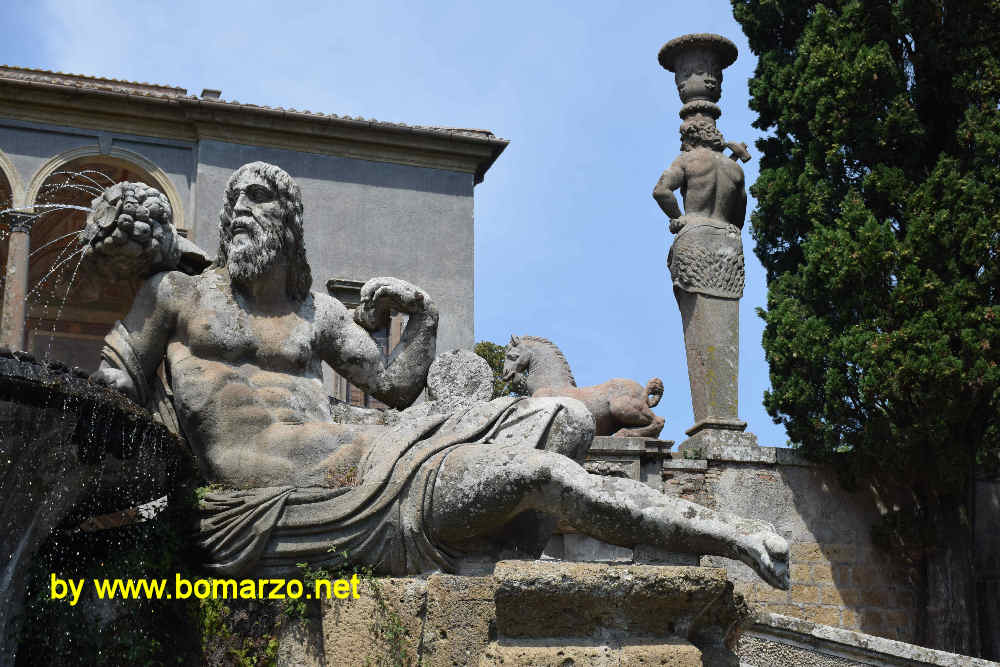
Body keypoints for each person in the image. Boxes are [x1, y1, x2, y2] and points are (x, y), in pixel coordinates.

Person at [93, 161, 789, 588]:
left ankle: (492, 532)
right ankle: (731, 535)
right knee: (535, 474)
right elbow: (112, 388)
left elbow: (395, 386)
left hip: (375, 453)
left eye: (258, 200)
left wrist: (422, 314)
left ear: (289, 224)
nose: (238, 211)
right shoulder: (179, 295)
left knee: (569, 418)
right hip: (290, 499)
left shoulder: (319, 312)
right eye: (233, 202)